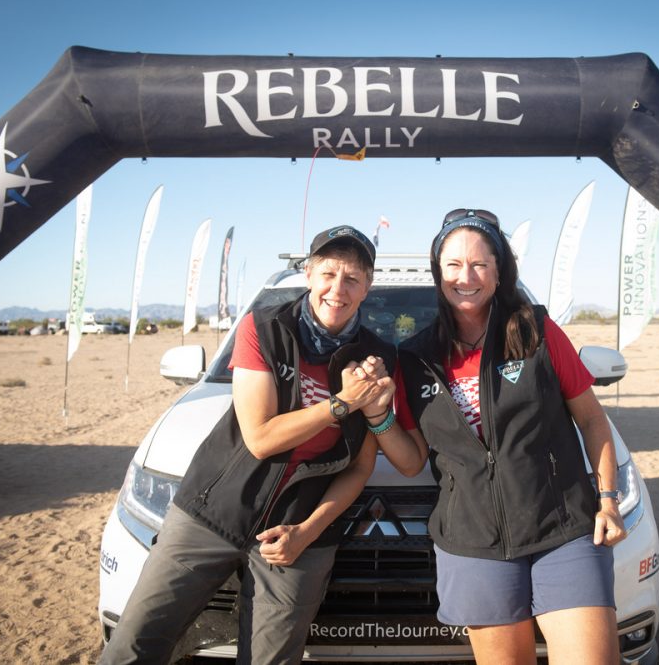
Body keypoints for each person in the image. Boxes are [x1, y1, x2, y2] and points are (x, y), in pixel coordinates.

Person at [100, 225, 396, 664]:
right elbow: (260, 438)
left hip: (298, 531)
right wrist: (342, 403)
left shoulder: (377, 357)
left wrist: (306, 532)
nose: (339, 288)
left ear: (367, 286)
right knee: (134, 644)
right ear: (310, 274)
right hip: (212, 510)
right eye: (329, 273)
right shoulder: (264, 326)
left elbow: (358, 467)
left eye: (353, 278)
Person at [363, 209, 627, 665]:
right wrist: (377, 417)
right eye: (453, 264)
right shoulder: (416, 357)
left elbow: (593, 421)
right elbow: (410, 462)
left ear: (499, 271)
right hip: (474, 541)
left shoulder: (536, 331)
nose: (466, 276)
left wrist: (607, 499)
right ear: (438, 271)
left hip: (562, 528)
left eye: (480, 264)